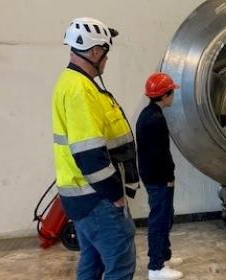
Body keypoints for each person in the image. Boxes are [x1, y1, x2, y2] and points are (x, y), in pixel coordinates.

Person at [52, 17, 139, 279]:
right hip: (97, 198)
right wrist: (115, 195)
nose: (106, 60)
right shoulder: (80, 90)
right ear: (95, 51)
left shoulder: (73, 83)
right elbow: (89, 154)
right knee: (120, 267)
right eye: (106, 53)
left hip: (83, 198)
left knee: (92, 263)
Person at [136, 72, 183, 280]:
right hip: (159, 179)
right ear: (165, 95)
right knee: (160, 221)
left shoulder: (148, 114)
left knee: (165, 217)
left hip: (153, 177)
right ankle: (156, 268)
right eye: (171, 92)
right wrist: (168, 176)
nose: (173, 96)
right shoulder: (155, 120)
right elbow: (160, 154)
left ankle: (163, 256)